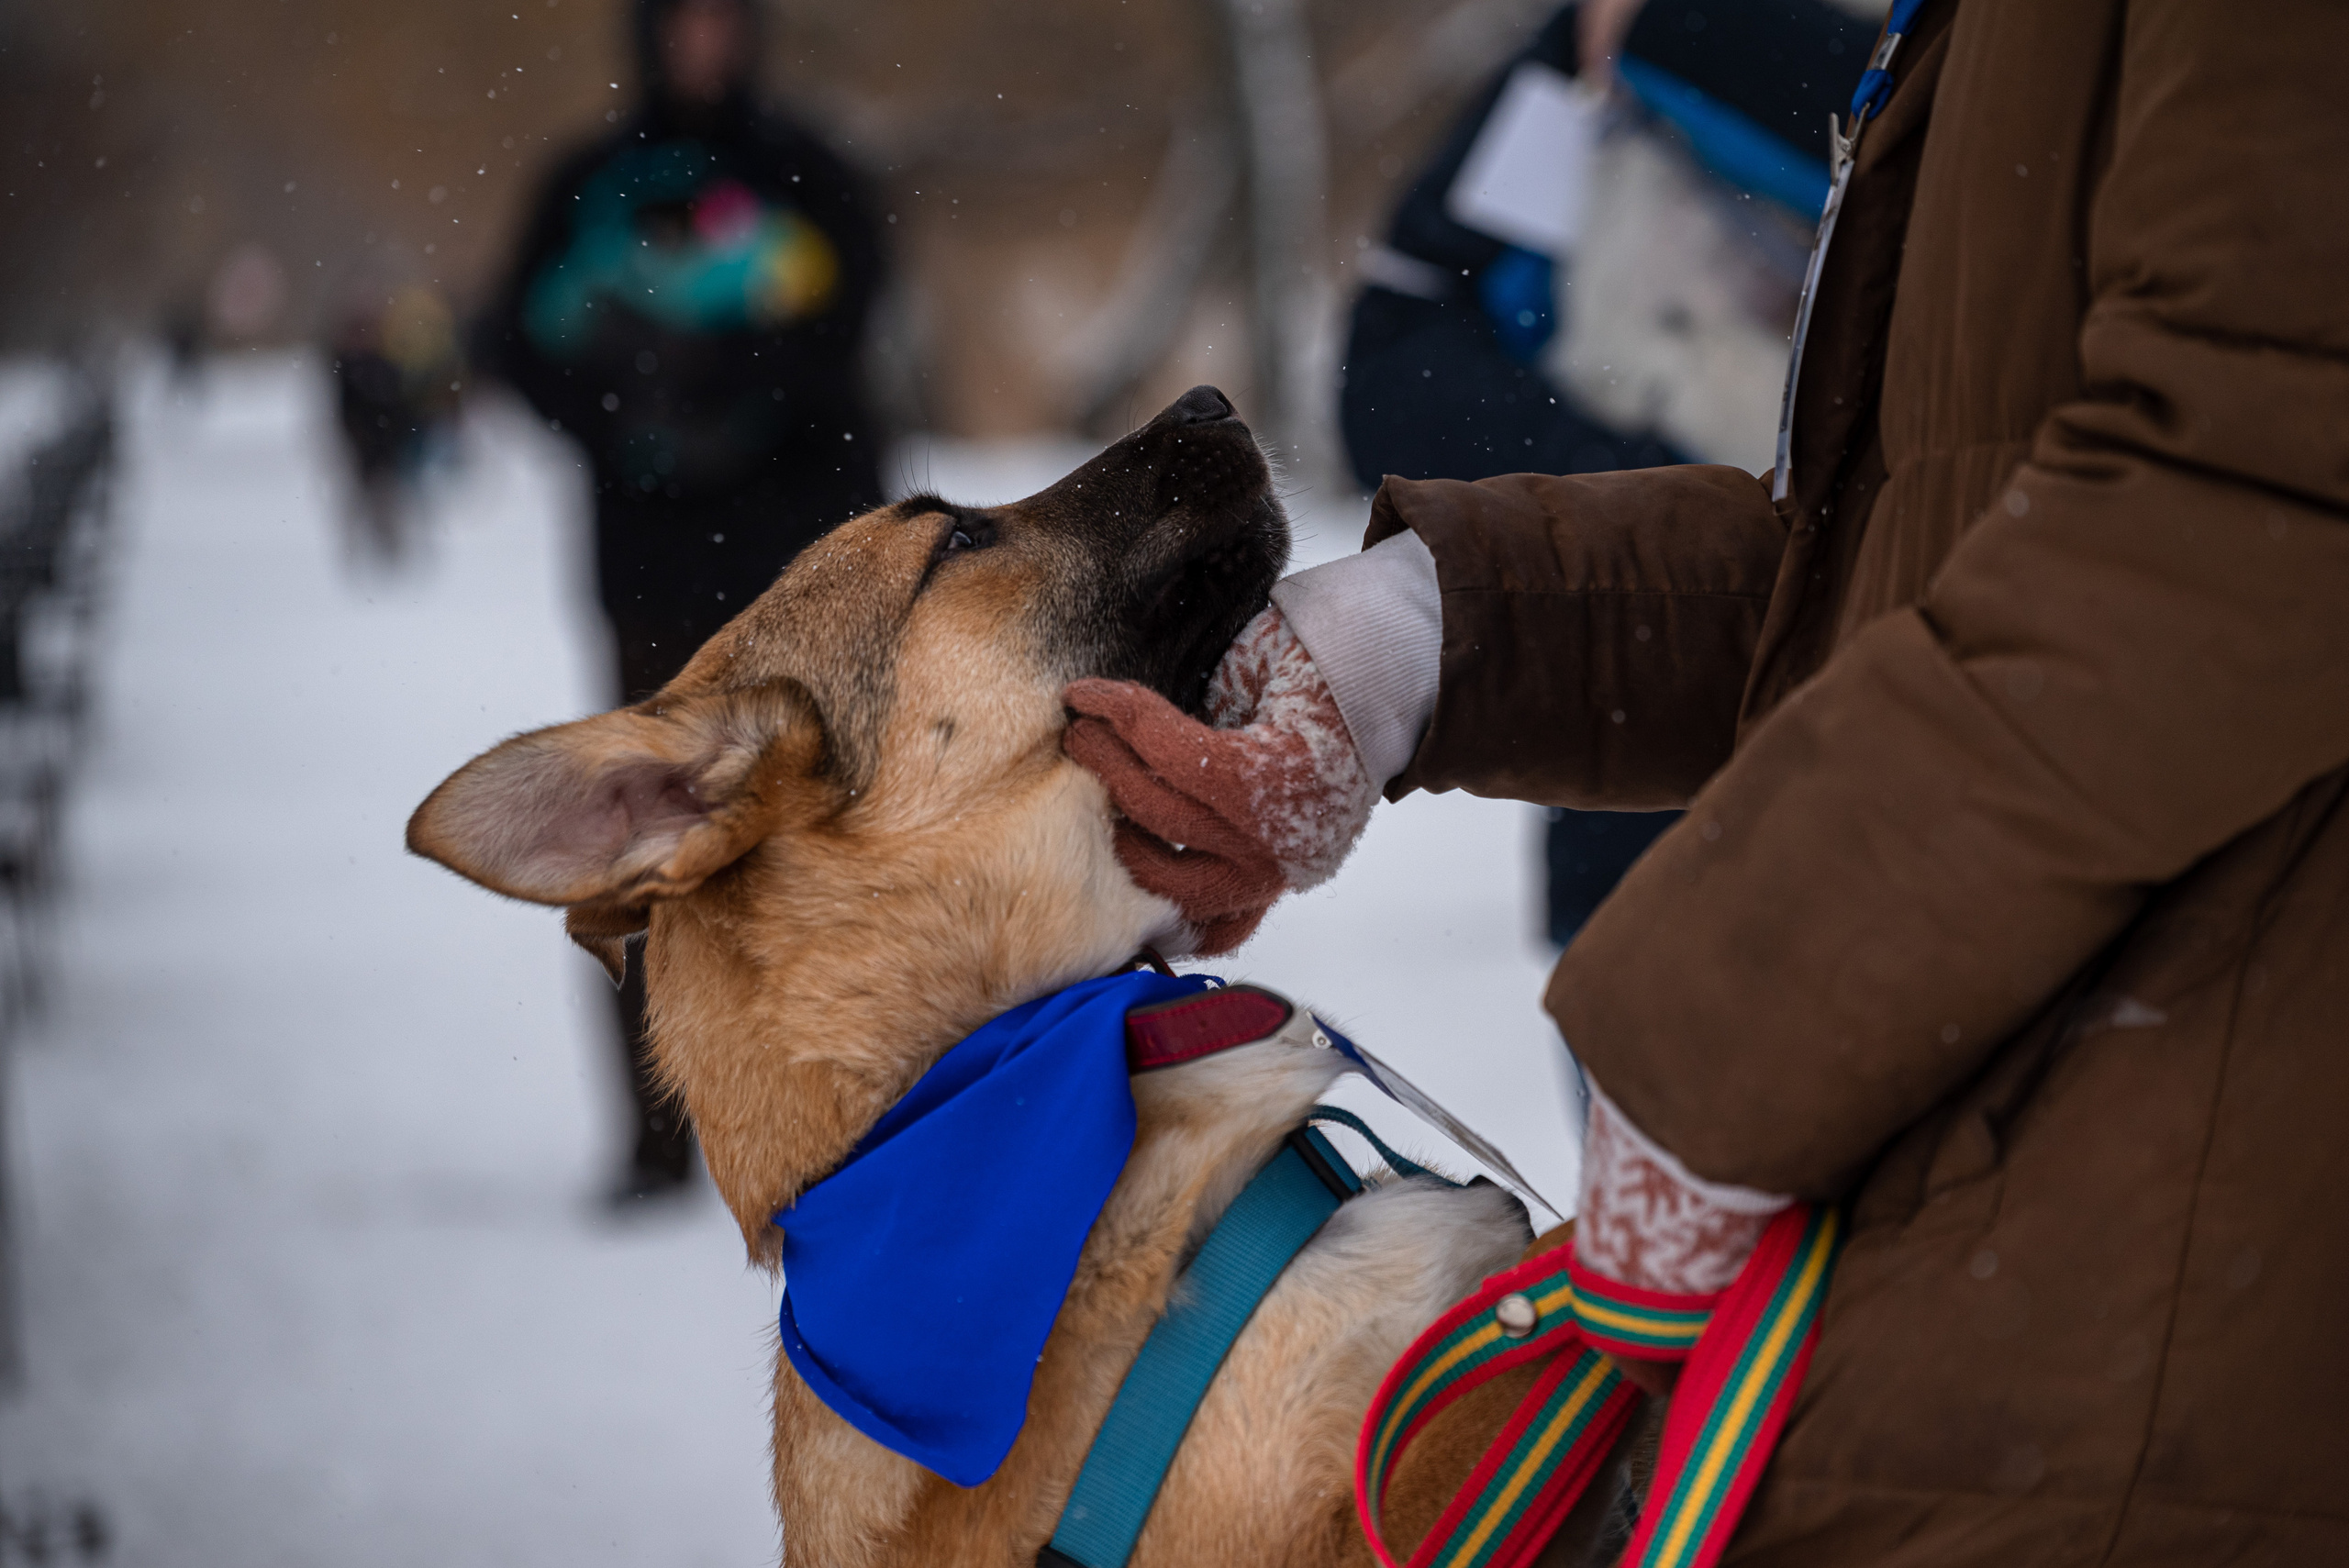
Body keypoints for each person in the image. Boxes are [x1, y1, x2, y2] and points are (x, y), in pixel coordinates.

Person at [1066, 1, 2349, 1558]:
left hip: (2163, 1283)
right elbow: (1909, 544)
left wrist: (1743, 1018)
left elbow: (2225, 527)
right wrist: (1440, 631)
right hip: (1956, 1172)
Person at [1340, 0, 1873, 944]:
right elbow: (1391, 367)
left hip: (1917, 781)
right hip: (1643, 844)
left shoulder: (2013, 75)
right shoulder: (1585, 78)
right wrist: (1643, 499)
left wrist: (1671, 31)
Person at [481, 0, 886, 1206]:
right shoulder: (585, 181)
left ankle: (849, 1115)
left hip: (806, 566)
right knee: (646, 842)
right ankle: (660, 1130)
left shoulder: (810, 172)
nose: (704, 41)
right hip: (651, 567)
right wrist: (627, 403)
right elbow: (514, 341)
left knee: (826, 832)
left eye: (724, 17)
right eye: (682, 19)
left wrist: (743, 377)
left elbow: (852, 319)